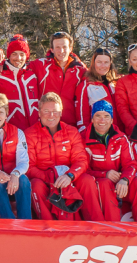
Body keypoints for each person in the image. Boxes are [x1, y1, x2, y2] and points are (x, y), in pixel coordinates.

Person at [25, 92, 102, 220]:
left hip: (68, 177)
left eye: (55, 111)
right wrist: (50, 177)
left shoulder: (71, 131)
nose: (51, 115)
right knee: (35, 185)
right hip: (45, 179)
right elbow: (29, 167)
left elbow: (81, 161)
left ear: (61, 113)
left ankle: (94, 225)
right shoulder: (29, 134)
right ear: (39, 112)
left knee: (87, 180)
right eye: (46, 111)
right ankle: (47, 228)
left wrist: (70, 175)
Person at [83, 99, 137, 222]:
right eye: (98, 116)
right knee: (105, 183)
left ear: (111, 120)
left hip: (119, 181)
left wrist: (125, 179)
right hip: (99, 182)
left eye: (106, 116)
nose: (102, 120)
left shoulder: (121, 138)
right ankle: (113, 229)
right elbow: (82, 169)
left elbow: (131, 164)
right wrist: (104, 174)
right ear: (92, 119)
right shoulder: (83, 139)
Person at [29, 31, 86, 127]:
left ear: (70, 49)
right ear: (52, 49)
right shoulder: (41, 65)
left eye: (64, 47)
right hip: (46, 123)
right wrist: (0, 65)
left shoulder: (80, 70)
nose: (61, 51)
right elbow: (18, 65)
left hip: (70, 125)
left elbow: (97, 76)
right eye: (57, 47)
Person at [0, 35, 40, 130]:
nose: (18, 58)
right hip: (12, 131)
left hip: (35, 129)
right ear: (9, 55)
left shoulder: (32, 74)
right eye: (14, 54)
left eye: (22, 54)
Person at [75, 47, 120, 132]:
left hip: (119, 135)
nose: (103, 66)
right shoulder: (85, 86)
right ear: (93, 63)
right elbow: (82, 119)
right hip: (98, 136)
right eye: (99, 62)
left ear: (110, 64)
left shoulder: (116, 83)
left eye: (106, 62)